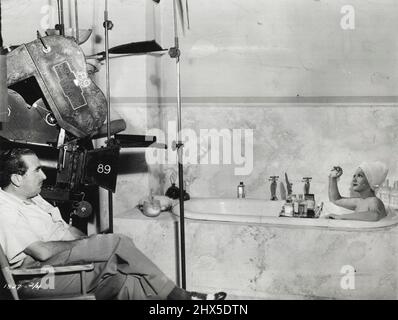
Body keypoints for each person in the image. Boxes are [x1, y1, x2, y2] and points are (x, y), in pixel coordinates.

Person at [0, 148, 227, 300]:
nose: (44, 176)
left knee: (125, 278)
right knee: (116, 242)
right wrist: (88, 245)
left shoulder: (32, 196)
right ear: (17, 179)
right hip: (36, 279)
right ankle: (181, 297)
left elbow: (67, 230)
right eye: (36, 170)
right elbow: (40, 251)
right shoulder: (4, 208)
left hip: (57, 264)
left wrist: (88, 246)